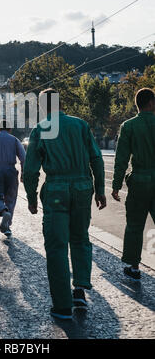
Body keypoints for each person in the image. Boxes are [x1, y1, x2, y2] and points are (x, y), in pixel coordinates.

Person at [23, 88, 106, 321]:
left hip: (56, 190)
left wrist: (31, 198)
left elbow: (30, 170)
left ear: (41, 106)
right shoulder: (80, 125)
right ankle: (79, 289)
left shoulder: (41, 128)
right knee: (80, 239)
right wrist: (100, 190)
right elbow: (96, 158)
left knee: (57, 247)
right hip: (82, 188)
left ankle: (62, 306)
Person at [112, 87, 155, 280]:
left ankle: (134, 266)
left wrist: (115, 185)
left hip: (138, 181)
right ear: (151, 103)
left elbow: (121, 158)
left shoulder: (128, 126)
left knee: (135, 225)